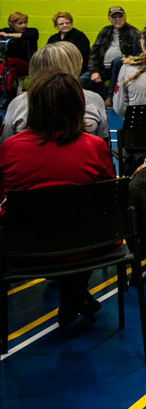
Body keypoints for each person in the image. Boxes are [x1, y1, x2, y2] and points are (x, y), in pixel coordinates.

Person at [0, 70, 115, 329]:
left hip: (24, 249)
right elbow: (109, 199)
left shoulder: (10, 148)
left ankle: (75, 295)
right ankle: (75, 293)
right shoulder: (94, 146)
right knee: (82, 225)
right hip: (87, 246)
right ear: (77, 105)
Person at [1, 42, 109, 142]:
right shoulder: (93, 99)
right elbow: (103, 144)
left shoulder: (19, 103)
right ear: (74, 67)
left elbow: (5, 144)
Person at [82, 6, 142, 101]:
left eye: (120, 16)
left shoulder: (133, 32)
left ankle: (111, 96)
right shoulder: (105, 31)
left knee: (117, 61)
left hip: (122, 68)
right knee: (82, 81)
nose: (117, 19)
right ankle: (104, 96)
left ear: (125, 16)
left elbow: (137, 54)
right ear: (109, 19)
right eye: (114, 17)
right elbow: (94, 53)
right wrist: (94, 71)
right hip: (102, 68)